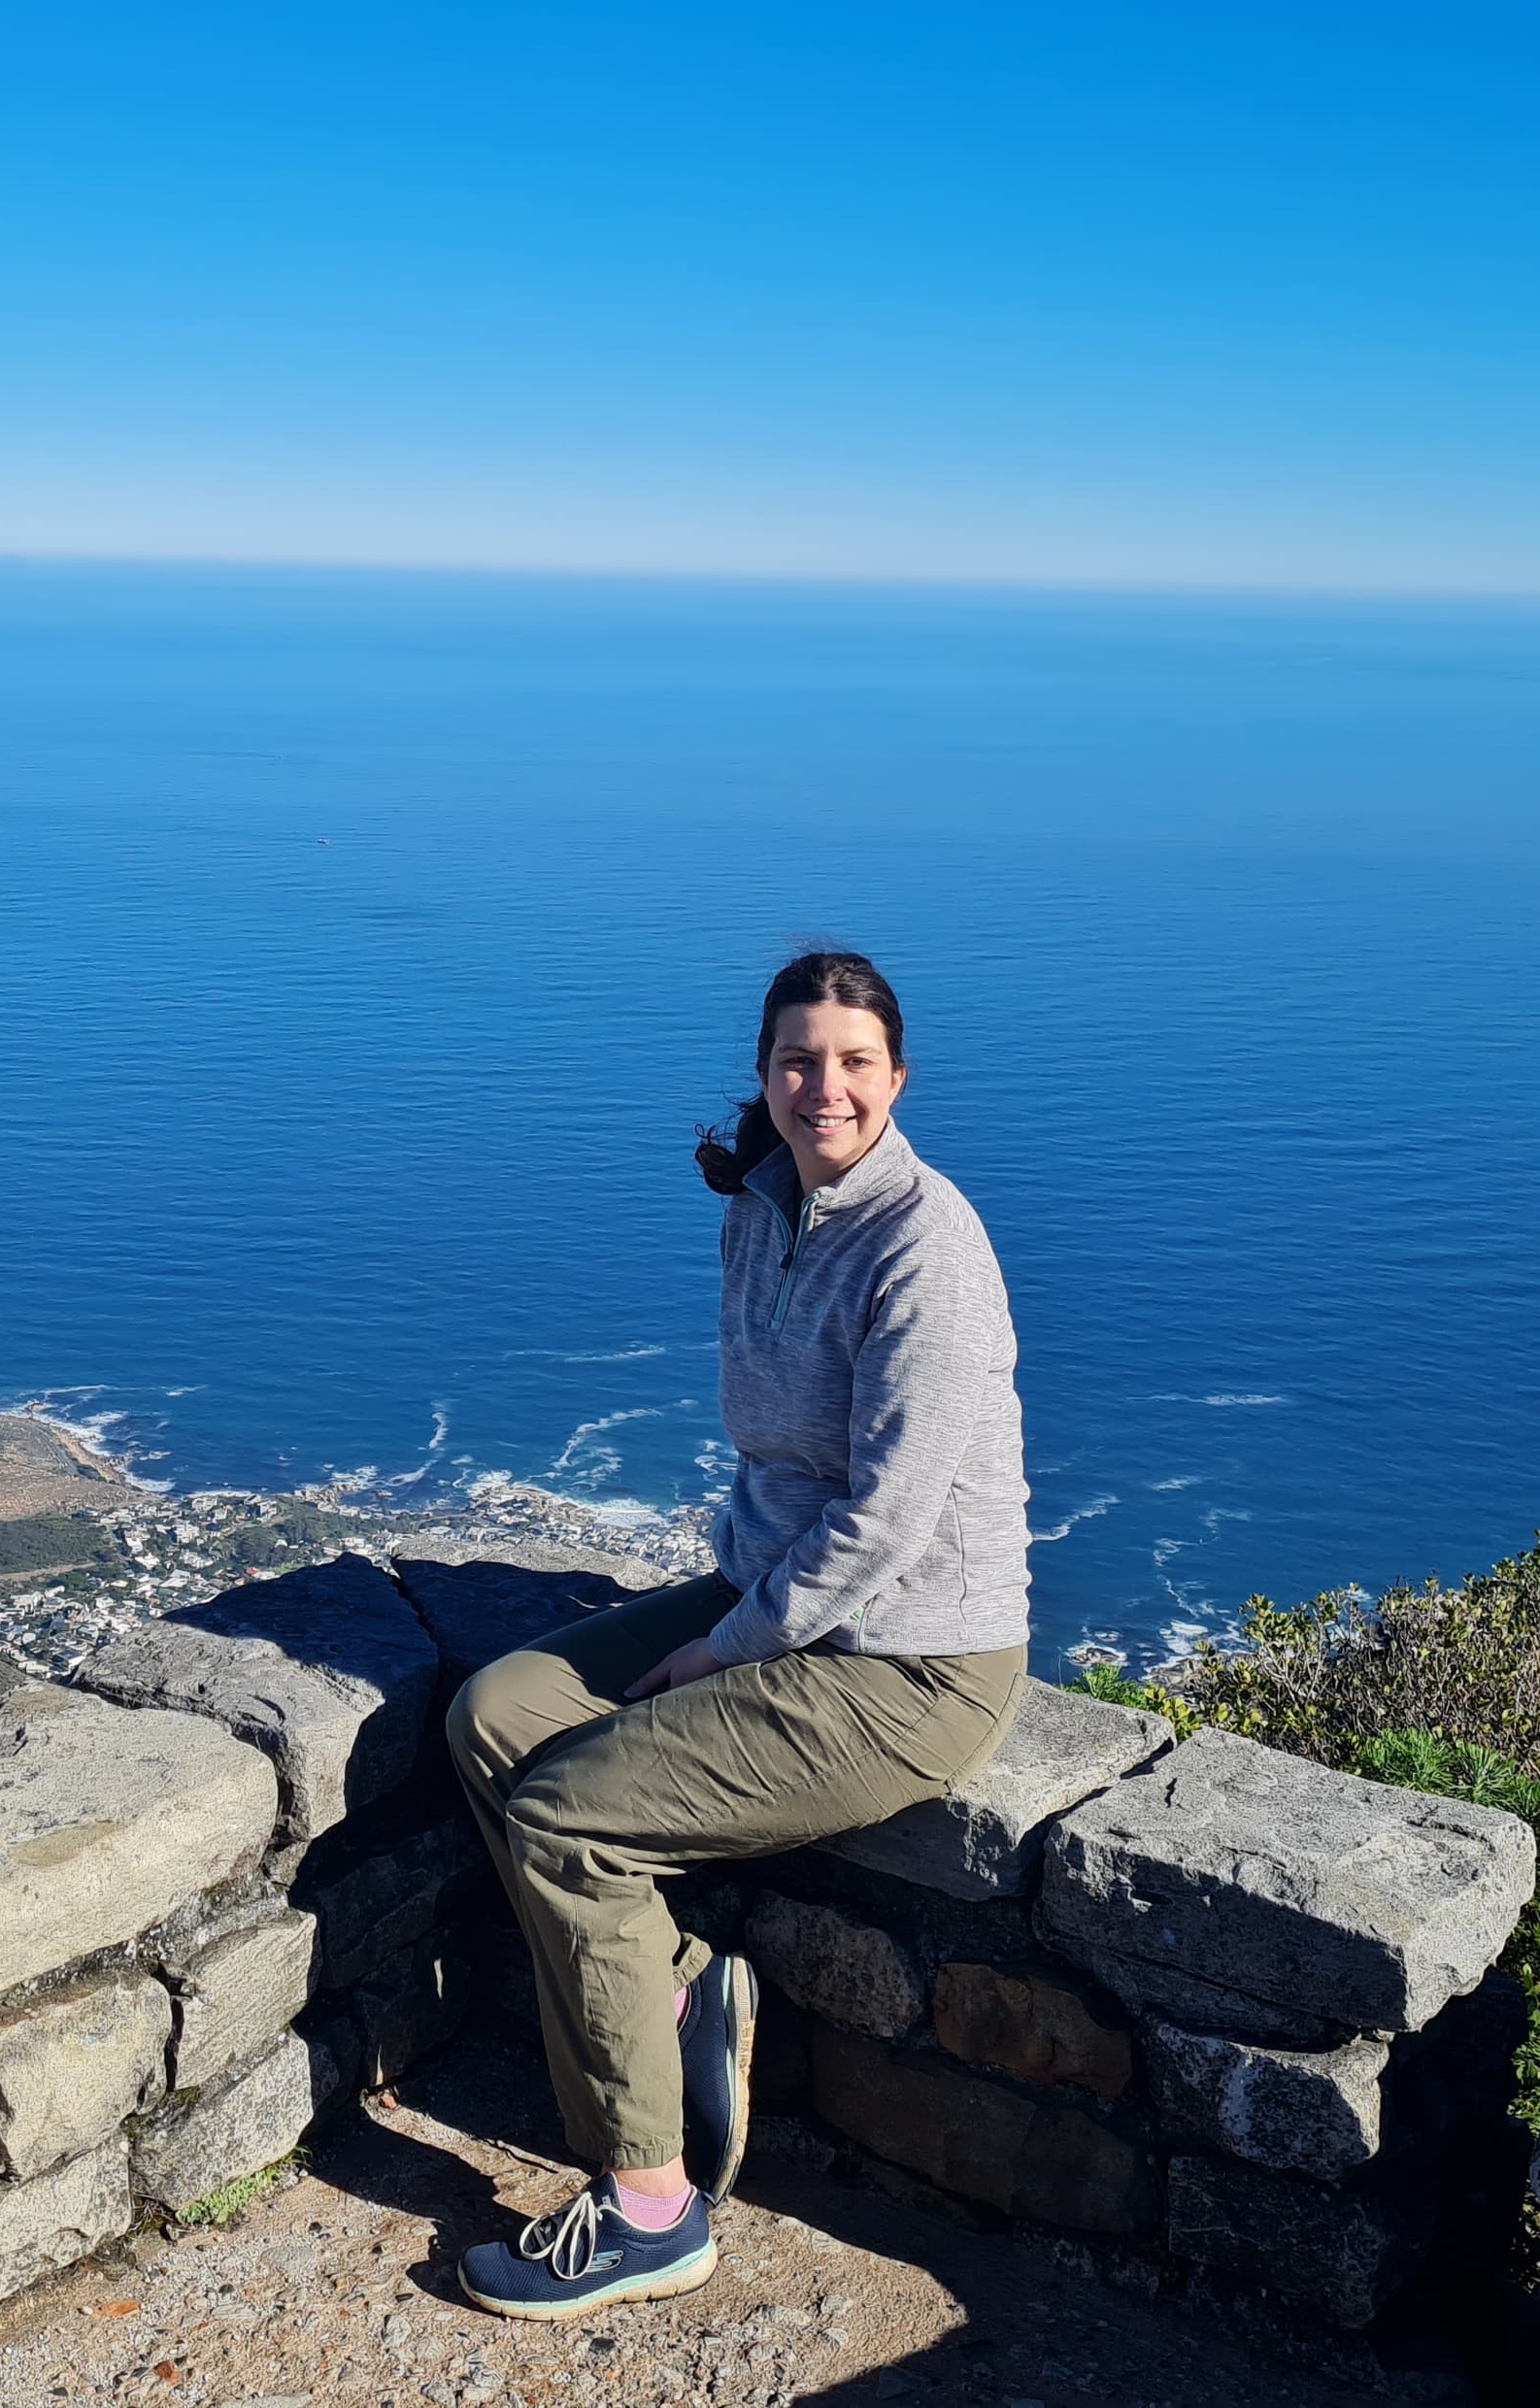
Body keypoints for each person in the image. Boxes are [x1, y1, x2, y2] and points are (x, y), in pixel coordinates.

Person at [444, 949, 1033, 2320]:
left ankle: (649, 2203)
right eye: (795, 1060)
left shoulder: (923, 1248)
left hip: (909, 1662)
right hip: (777, 1602)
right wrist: (739, 1618)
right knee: (495, 1717)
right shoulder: (764, 1209)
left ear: (898, 1078)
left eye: (851, 1062)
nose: (821, 1086)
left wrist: (723, 1650)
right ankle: (683, 1993)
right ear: (764, 1074)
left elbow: (886, 1525)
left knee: (569, 1820)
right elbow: (780, 1466)